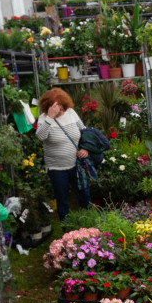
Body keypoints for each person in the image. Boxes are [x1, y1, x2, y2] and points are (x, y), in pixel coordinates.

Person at [36, 88, 94, 220]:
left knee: (84, 195)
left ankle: (91, 224)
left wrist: (85, 149)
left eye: (61, 108)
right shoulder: (44, 119)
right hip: (56, 169)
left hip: (76, 165)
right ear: (48, 107)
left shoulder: (71, 113)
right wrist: (50, 117)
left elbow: (84, 132)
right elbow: (41, 136)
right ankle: (66, 231)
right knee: (62, 200)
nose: (59, 112)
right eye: (55, 109)